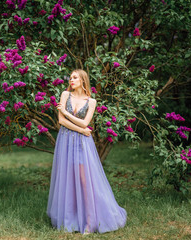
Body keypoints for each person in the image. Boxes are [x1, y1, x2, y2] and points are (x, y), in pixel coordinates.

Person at [46, 69, 127, 235]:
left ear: (83, 80)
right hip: (65, 140)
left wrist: (70, 116)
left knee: (84, 180)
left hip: (82, 144)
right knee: (68, 180)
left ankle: (90, 222)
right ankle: (69, 220)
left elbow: (85, 123)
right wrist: (81, 130)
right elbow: (61, 121)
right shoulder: (65, 95)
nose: (71, 80)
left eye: (75, 77)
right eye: (70, 77)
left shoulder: (92, 101)